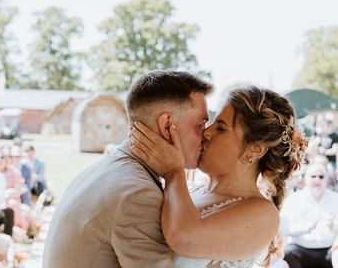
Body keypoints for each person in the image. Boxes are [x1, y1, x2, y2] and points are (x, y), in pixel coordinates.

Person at [43, 70, 213, 268]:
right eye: (200, 125)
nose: (207, 135)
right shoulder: (138, 194)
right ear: (167, 126)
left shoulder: (106, 168)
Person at [130, 85, 305, 268]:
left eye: (221, 128)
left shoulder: (263, 214)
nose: (206, 132)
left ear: (254, 149)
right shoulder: (192, 190)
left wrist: (173, 171)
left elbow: (183, 237)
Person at [281, 163, 338, 268]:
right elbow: (285, 229)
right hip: (301, 248)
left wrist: (333, 225)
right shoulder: (294, 199)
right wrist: (307, 228)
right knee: (288, 252)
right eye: (313, 176)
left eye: (321, 177)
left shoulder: (337, 199)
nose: (317, 180)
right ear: (306, 178)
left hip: (329, 249)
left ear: (326, 179)